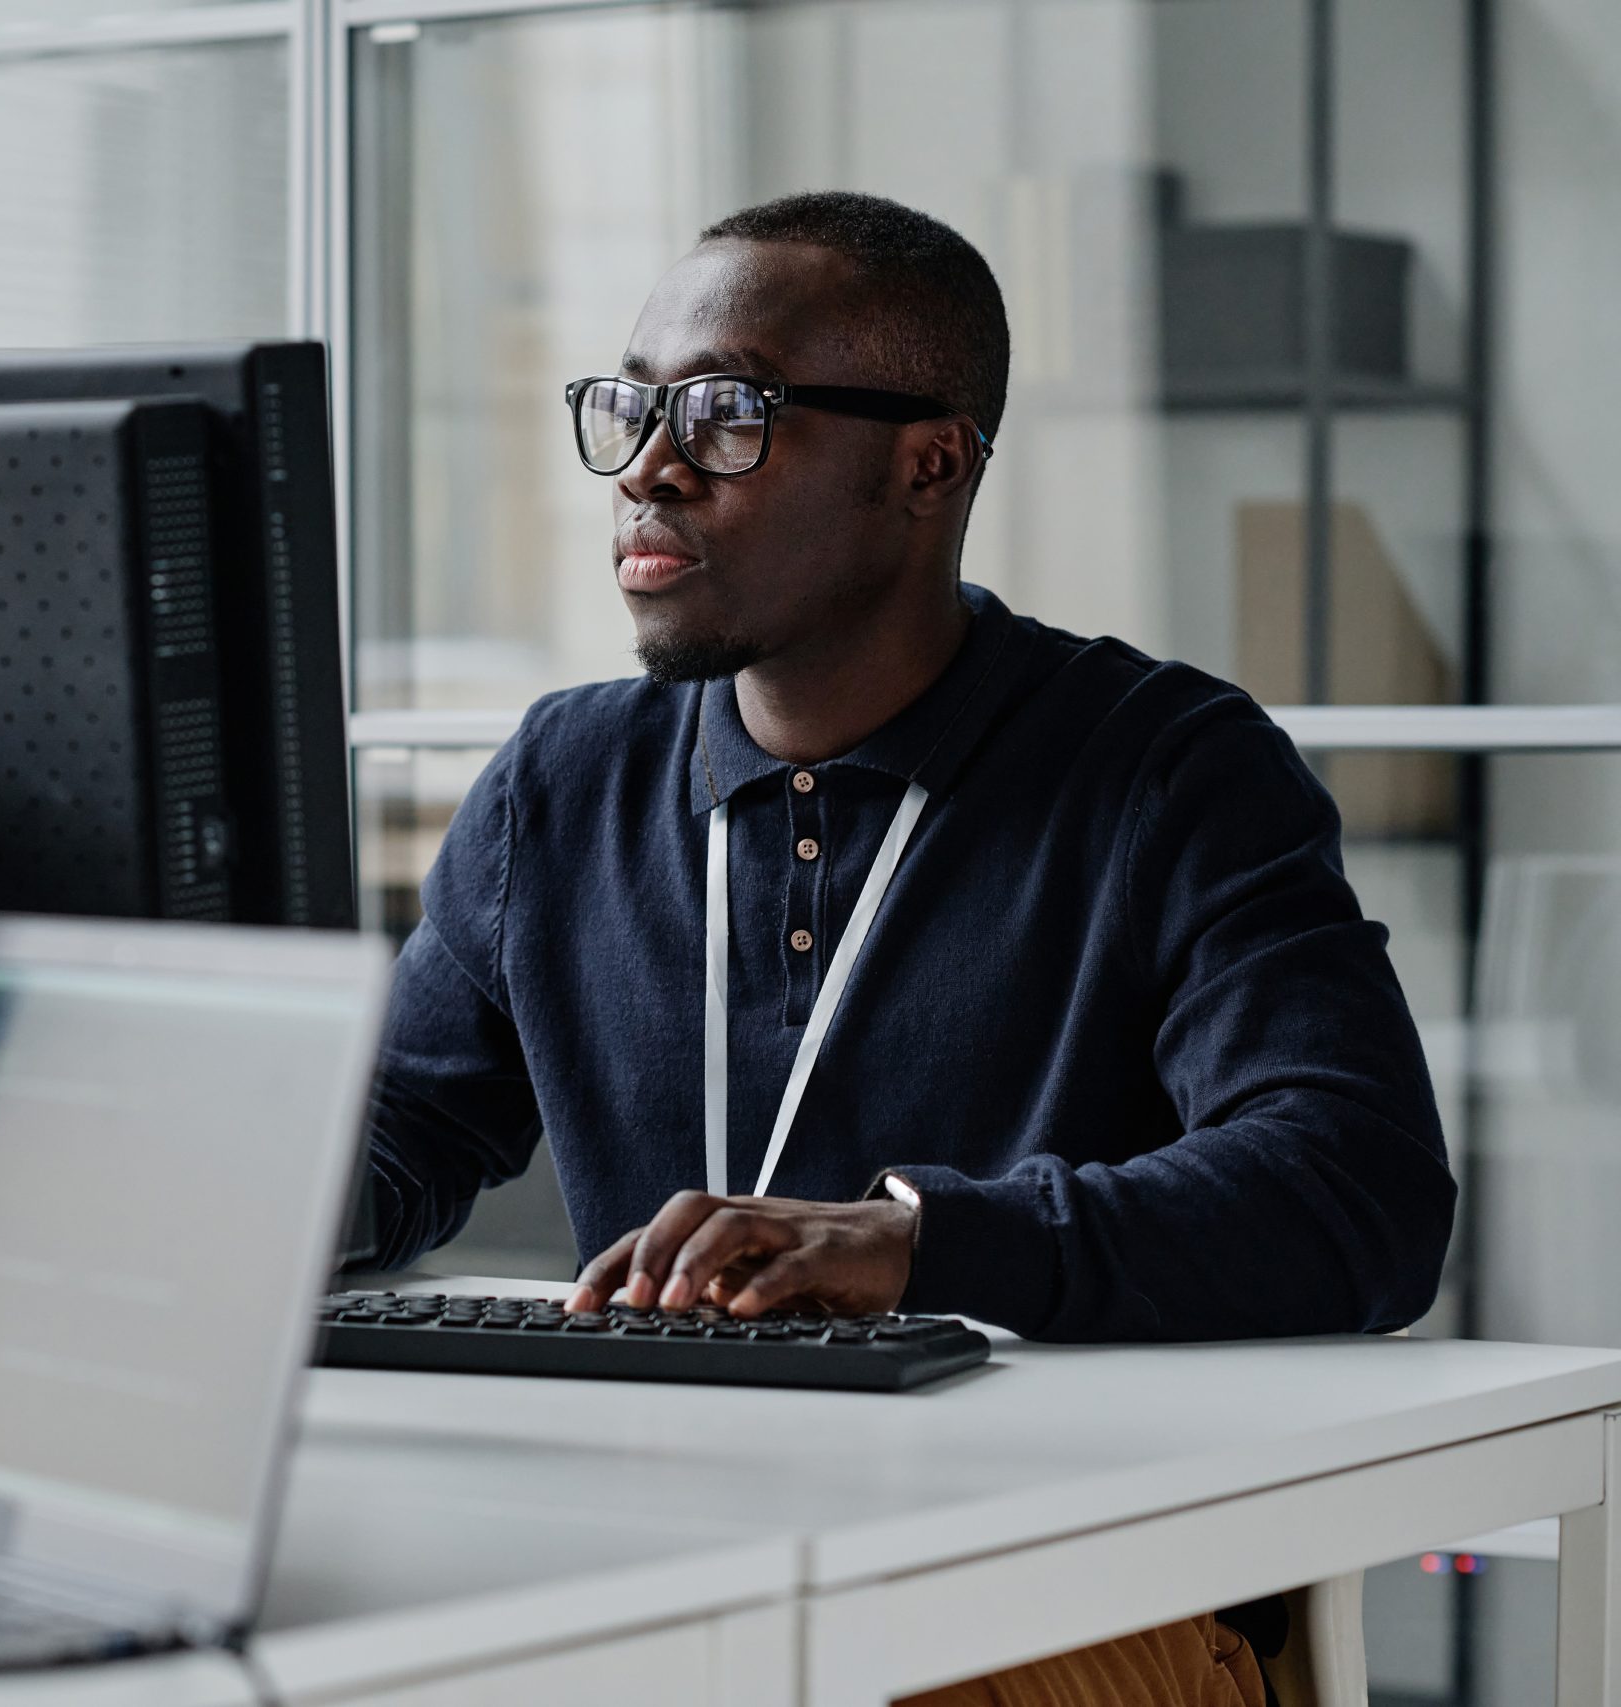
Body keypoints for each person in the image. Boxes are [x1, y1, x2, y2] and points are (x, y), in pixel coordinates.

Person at [361, 190, 1456, 1706]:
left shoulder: (1167, 768)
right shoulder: (562, 783)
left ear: (927, 465)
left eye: (729, 414)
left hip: (1068, 1588)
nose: (649, 468)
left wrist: (920, 1243)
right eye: (631, 407)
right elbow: (398, 1134)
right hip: (667, 1561)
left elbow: (1359, 1188)